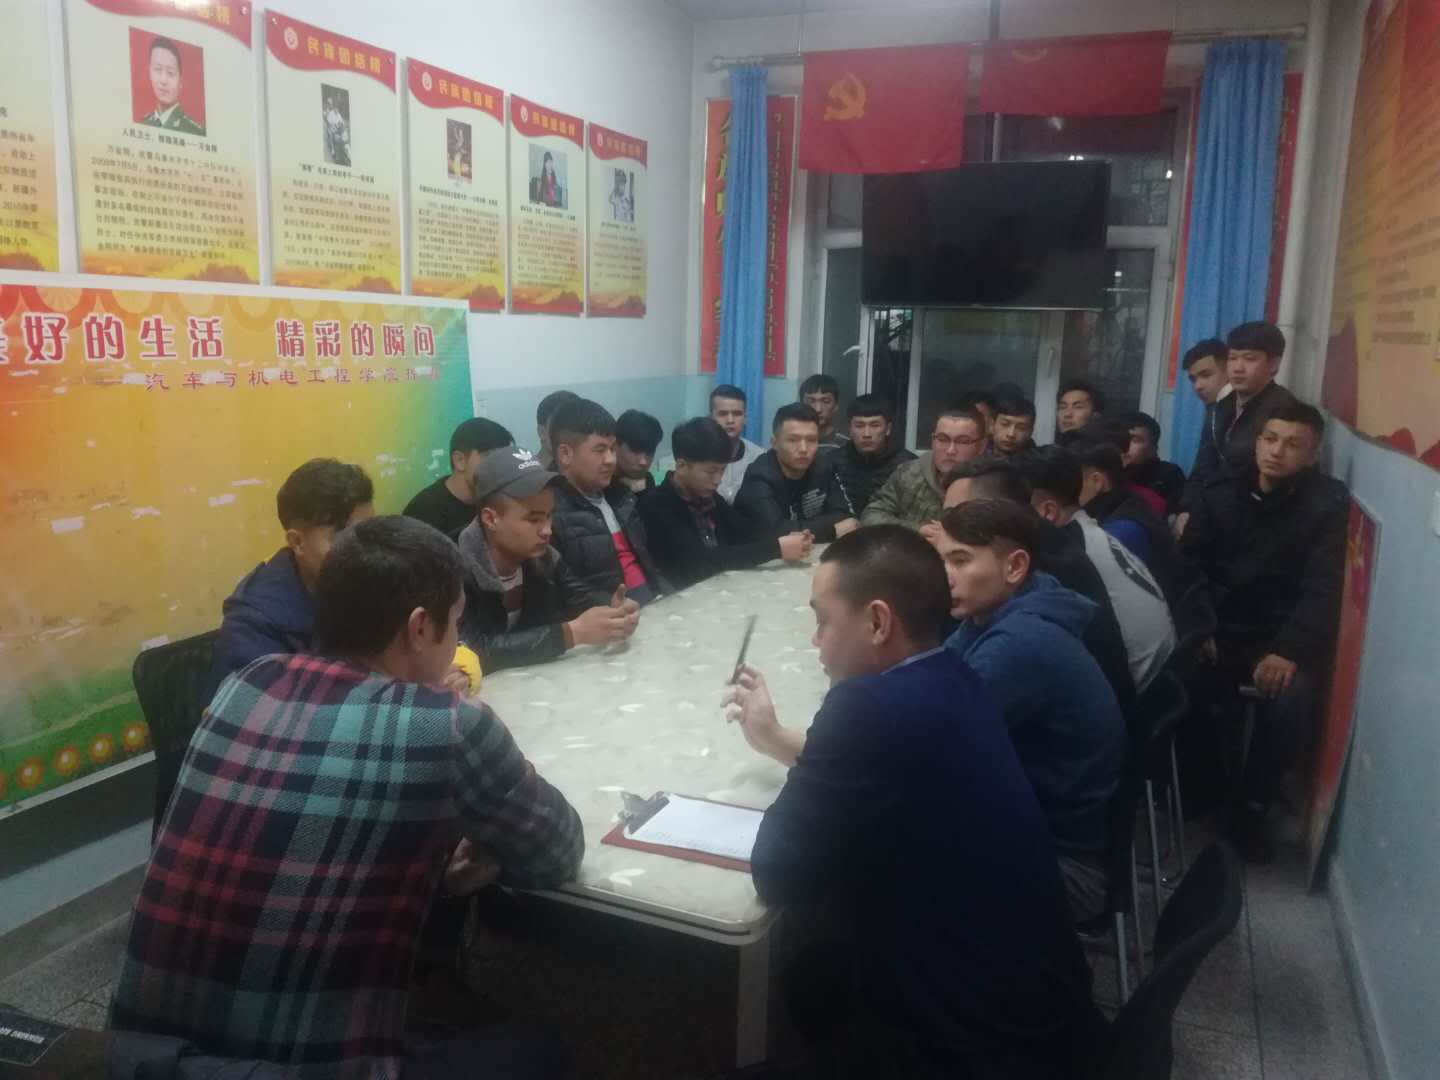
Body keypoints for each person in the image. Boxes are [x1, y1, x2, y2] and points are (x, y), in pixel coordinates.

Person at [113, 516, 583, 1078]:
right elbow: (556, 853)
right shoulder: (450, 725)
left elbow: (301, 845)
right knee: (540, 1048)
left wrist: (433, 871)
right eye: (455, 624)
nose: (457, 643)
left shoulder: (248, 683)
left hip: (141, 1060)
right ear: (419, 627)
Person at [726, 526, 1100, 1076]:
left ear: (878, 622)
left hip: (976, 1042)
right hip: (1044, 1006)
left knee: (808, 977)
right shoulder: (954, 672)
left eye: (823, 621)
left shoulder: (867, 709)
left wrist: (830, 722)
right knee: (818, 972)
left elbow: (778, 873)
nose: (815, 641)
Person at [936, 500, 1126, 923]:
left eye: (959, 560)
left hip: (1064, 866)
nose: (942, 576)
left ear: (1015, 567)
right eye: (940, 560)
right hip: (1030, 829)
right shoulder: (1004, 609)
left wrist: (798, 744)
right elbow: (935, 682)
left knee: (874, 848)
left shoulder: (1020, 643)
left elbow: (924, 745)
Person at [1179, 402, 1347, 862]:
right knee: (1178, 674)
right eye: (1270, 439)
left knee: (1291, 700)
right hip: (1218, 626)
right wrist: (1201, 626)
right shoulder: (1218, 493)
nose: (1277, 452)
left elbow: (1323, 588)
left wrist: (1288, 650)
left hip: (1278, 636)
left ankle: (1254, 809)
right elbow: (1187, 568)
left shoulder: (1325, 505)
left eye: (1293, 445)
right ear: (1256, 443)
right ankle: (1203, 788)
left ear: (1312, 455)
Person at [944, 458, 1136, 707]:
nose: (943, 575)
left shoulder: (1019, 638)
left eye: (960, 515)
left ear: (1016, 566)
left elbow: (946, 718)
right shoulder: (1016, 585)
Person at [457, 448, 639, 671]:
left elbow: (578, 596)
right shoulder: (453, 570)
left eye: (549, 515)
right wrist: (571, 634)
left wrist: (613, 610)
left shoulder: (544, 557)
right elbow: (473, 649)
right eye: (533, 519)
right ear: (491, 519)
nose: (547, 530)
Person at [1019, 446, 1177, 695]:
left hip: (1132, 690)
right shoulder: (1090, 533)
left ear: (1047, 512)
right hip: (1155, 679)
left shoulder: (1065, 559)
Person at [214, 458, 375, 681]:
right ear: (297, 542)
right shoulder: (253, 625)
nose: (366, 552)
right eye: (345, 539)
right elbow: (258, 703)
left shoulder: (366, 577)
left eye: (369, 533)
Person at [639, 418, 811, 590]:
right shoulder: (657, 504)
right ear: (682, 466)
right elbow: (700, 563)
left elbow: (746, 531)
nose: (718, 480)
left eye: (722, 470)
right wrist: (777, 548)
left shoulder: (707, 496)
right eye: (711, 471)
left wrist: (788, 537)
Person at [547, 398, 668, 605]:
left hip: (654, 603)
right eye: (600, 450)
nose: (611, 459)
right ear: (565, 454)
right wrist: (616, 607)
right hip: (612, 615)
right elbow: (564, 591)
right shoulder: (549, 513)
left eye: (612, 449)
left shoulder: (621, 498)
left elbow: (647, 564)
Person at [1187, 321, 1297, 503]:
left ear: (1274, 364)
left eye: (1249, 359)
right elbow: (1202, 466)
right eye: (1232, 358)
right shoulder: (1219, 406)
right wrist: (1186, 508)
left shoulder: (1285, 410)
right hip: (1210, 506)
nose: (1238, 368)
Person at [1070, 434, 1182, 597]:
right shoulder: (1127, 504)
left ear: (1097, 481)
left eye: (1073, 482)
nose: (1068, 490)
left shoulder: (1121, 532)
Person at [736, 403, 859, 541]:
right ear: (774, 443)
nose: (803, 449)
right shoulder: (758, 476)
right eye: (793, 440)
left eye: (811, 440)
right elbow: (775, 533)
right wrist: (832, 530)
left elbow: (844, 516)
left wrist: (796, 528)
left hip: (812, 548)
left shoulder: (823, 466)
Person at [861, 407, 985, 537]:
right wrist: (917, 530)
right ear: (932, 440)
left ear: (981, 446)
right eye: (942, 439)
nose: (950, 450)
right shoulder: (909, 473)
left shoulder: (991, 483)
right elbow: (871, 516)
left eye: (963, 442)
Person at [404, 417, 515, 540]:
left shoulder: (500, 499)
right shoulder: (423, 512)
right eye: (489, 458)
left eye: (502, 458)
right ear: (459, 461)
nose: (499, 467)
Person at [1173, 338, 1232, 537]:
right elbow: (1203, 464)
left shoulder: (1235, 408)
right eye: (1193, 379)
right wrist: (1186, 509)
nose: (1198, 386)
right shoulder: (1215, 408)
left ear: (1228, 369)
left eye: (1206, 375)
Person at [821, 394, 915, 518]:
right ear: (850, 429)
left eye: (875, 425)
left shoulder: (909, 465)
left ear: (888, 429)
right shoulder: (831, 462)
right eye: (859, 426)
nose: (866, 434)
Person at [1120, 411, 1187, 516]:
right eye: (1121, 439)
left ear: (1154, 448)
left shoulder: (1169, 475)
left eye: (1135, 440)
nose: (1125, 445)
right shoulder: (1108, 472)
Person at [711, 383, 764, 503]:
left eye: (737, 414)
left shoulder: (759, 457)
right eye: (722, 414)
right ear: (711, 417)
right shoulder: (697, 455)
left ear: (745, 418)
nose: (730, 420)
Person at [139, 37, 204, 135]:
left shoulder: (194, 131)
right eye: (158, 69)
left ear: (180, 82)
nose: (163, 80)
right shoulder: (142, 124)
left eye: (170, 73)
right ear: (149, 73)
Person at [613, 409, 663, 494]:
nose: (643, 462)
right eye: (635, 451)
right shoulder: (597, 484)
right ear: (615, 445)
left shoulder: (647, 480)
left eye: (649, 453)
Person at [800, 373, 848, 453]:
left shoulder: (846, 445)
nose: (818, 409)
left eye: (826, 401)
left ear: (836, 406)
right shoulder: (791, 442)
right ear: (801, 405)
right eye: (811, 401)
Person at [535, 389, 581, 469]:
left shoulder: (586, 471)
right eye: (563, 426)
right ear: (542, 432)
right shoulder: (525, 474)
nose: (573, 435)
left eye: (577, 426)